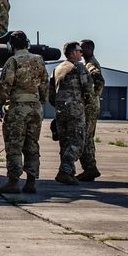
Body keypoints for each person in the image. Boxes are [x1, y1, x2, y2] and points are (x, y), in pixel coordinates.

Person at [0, 30, 49, 194]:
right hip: (35, 108)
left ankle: (13, 181)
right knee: (32, 144)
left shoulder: (13, 61)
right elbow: (45, 84)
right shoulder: (39, 60)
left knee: (14, 144)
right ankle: (31, 182)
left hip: (18, 108)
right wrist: (40, 102)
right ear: (27, 44)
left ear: (11, 45)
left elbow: (5, 85)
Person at [48, 41, 94, 185]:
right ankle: (65, 170)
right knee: (77, 142)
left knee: (65, 142)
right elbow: (88, 89)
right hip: (76, 110)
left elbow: (50, 94)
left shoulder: (57, 69)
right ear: (73, 53)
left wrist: (59, 105)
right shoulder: (79, 67)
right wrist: (88, 105)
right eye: (79, 51)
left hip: (61, 110)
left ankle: (69, 173)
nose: (81, 53)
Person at [78, 39, 105, 181]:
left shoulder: (91, 65)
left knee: (86, 137)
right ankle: (90, 168)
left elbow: (99, 81)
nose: (80, 51)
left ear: (89, 49)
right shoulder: (88, 63)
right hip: (91, 104)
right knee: (87, 137)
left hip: (89, 106)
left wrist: (91, 96)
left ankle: (90, 168)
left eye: (82, 48)